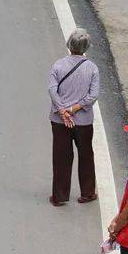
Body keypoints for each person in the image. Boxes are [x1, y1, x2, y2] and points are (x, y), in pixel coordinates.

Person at [48, 29, 99, 206]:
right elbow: (93, 95)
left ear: (69, 44)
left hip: (60, 121)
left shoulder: (58, 65)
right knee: (86, 154)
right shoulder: (92, 68)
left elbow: (52, 90)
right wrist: (74, 109)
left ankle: (60, 196)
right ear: (86, 47)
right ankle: (87, 192)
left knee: (61, 156)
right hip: (83, 121)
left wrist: (63, 110)